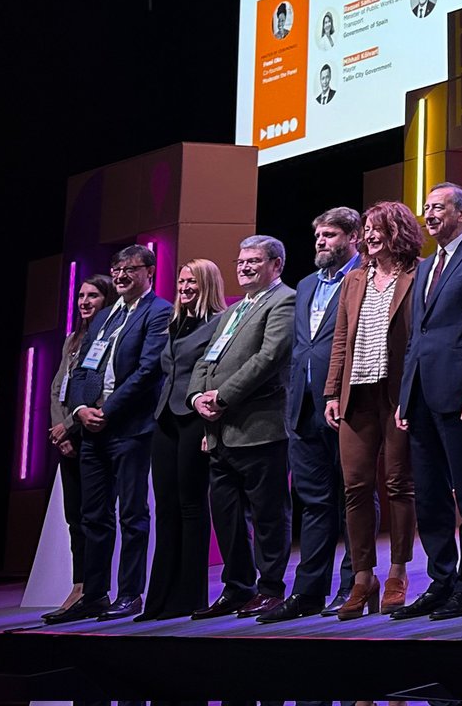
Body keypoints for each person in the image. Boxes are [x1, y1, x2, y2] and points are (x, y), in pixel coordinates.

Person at [49, 244, 171, 623]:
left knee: (132, 515)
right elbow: (82, 371)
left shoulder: (158, 311)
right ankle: (94, 594)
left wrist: (108, 410)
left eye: (129, 269)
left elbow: (149, 370)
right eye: (116, 269)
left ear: (149, 271)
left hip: (130, 428)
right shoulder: (104, 317)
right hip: (92, 430)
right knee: (93, 516)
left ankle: (130, 593)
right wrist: (80, 410)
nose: (120, 275)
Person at [393, 183, 462, 620]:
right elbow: (417, 336)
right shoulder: (426, 266)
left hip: (459, 393)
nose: (429, 215)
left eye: (438, 207)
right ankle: (441, 581)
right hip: (421, 396)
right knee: (430, 496)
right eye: (427, 208)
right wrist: (404, 396)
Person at [189, 236, 297, 619]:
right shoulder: (234, 310)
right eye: (240, 261)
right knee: (228, 516)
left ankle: (270, 589)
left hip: (261, 428)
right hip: (220, 432)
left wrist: (222, 397)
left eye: (254, 261)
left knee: (269, 515)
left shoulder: (285, 300)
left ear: (276, 265)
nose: (244, 267)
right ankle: (237, 588)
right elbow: (206, 360)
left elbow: (268, 358)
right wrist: (196, 398)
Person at [324, 200, 422, 619]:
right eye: (366, 228)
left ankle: (398, 572)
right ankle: (363, 577)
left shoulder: (418, 274)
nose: (370, 235)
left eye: (378, 227)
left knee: (399, 483)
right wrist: (332, 392)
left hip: (397, 393)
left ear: (397, 230)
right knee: (356, 487)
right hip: (356, 393)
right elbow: (340, 339)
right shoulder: (354, 279)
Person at [268, 207, 360, 622]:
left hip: (347, 403)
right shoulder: (305, 284)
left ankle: (354, 585)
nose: (321, 242)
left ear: (353, 237)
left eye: (330, 235)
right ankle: (308, 592)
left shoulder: (363, 278)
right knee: (314, 501)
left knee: (354, 498)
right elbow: (300, 346)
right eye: (319, 235)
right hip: (304, 406)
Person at [140, 259, 227, 621]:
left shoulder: (218, 322)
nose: (185, 287)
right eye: (181, 281)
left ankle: (190, 596)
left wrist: (210, 429)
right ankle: (159, 599)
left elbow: (215, 373)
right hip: (165, 419)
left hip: (194, 419)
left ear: (207, 284)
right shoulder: (174, 322)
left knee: (191, 506)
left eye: (192, 282)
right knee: (166, 508)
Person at [42, 273, 114, 624]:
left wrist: (70, 425)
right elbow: (58, 388)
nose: (85, 302)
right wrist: (60, 432)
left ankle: (95, 590)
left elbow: (98, 390)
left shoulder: (109, 336)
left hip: (92, 434)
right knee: (74, 518)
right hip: (66, 438)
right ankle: (79, 584)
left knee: (93, 515)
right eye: (82, 296)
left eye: (93, 296)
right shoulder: (72, 339)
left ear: (106, 300)